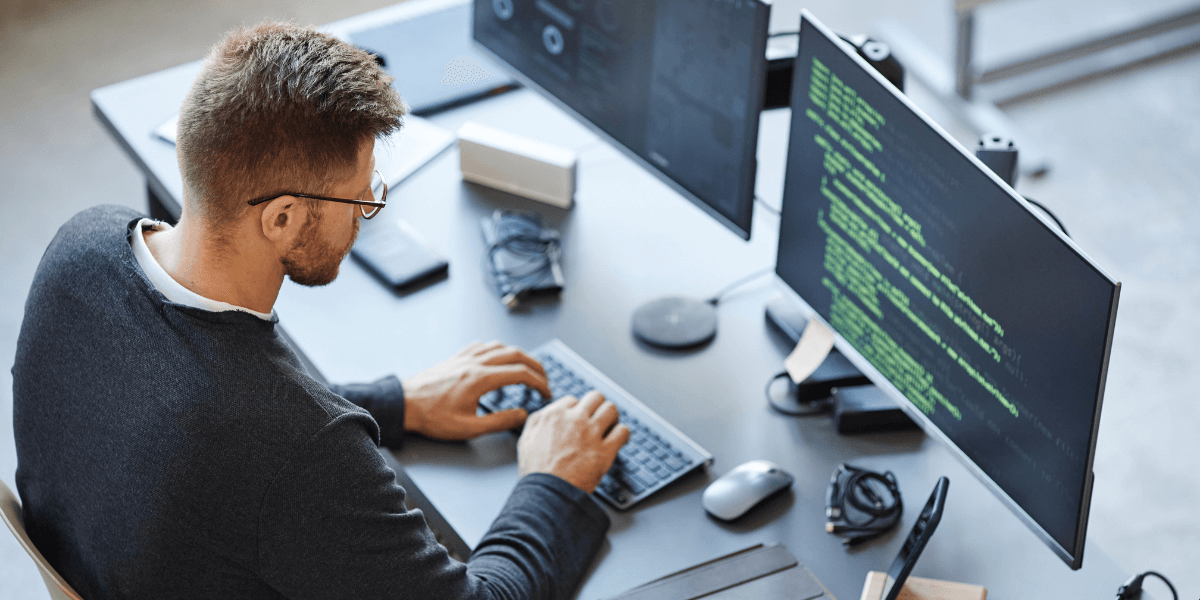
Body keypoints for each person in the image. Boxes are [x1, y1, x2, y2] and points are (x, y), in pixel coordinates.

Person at [12, 22, 629, 600]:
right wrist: (552, 481)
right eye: (359, 198)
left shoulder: (82, 247)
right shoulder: (299, 450)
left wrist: (397, 403)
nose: (367, 208)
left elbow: (186, 395)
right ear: (281, 217)